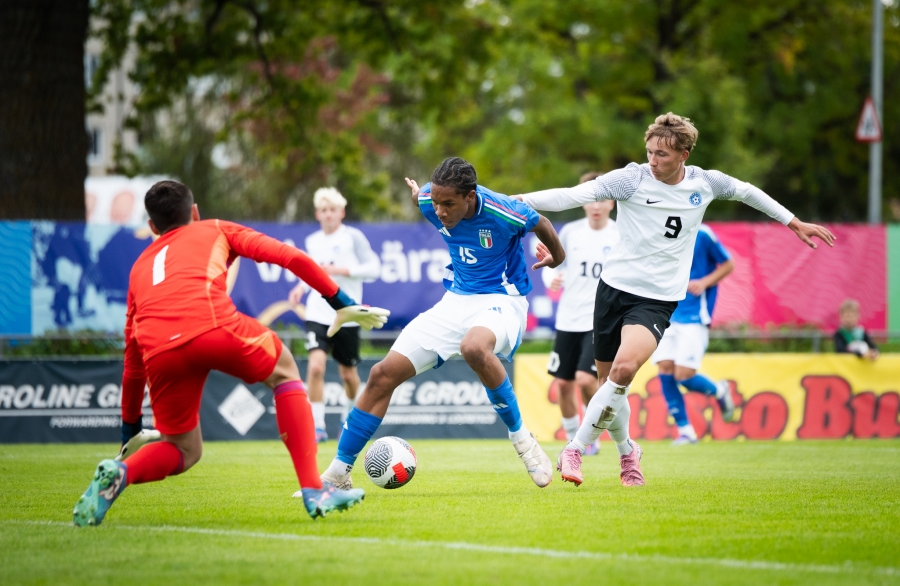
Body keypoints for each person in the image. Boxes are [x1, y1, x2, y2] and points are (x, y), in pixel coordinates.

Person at [520, 112, 835, 487]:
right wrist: (509, 200)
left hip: (657, 299)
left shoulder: (706, 182)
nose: (653, 161)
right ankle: (627, 452)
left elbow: (749, 191)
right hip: (614, 289)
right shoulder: (631, 177)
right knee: (607, 385)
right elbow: (571, 196)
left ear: (684, 154)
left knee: (622, 373)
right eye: (650, 152)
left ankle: (574, 449)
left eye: (662, 155)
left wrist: (792, 221)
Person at [73, 180, 389, 526]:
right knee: (285, 371)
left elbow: (132, 361)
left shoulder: (138, 270)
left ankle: (121, 472)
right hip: (211, 326)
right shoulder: (216, 228)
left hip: (160, 351)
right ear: (194, 212)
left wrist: (129, 429)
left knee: (183, 450)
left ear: (152, 226)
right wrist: (340, 301)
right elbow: (290, 257)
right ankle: (315, 489)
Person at [316, 157, 566, 491]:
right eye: (436, 203)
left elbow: (543, 223)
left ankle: (523, 440)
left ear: (471, 196)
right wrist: (424, 195)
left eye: (449, 204)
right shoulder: (428, 202)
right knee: (380, 375)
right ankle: (337, 472)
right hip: (455, 301)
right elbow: (424, 198)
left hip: (503, 299)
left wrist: (556, 258)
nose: (441, 211)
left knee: (474, 348)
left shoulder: (504, 210)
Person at [289, 187, 381, 442]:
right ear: (318, 214)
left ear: (342, 212)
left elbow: (374, 269)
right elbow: (313, 272)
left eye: (333, 210)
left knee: (348, 375)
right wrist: (300, 287)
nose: (328, 215)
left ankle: (347, 417)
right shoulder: (312, 241)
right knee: (316, 367)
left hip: (347, 312)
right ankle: (317, 427)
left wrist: (341, 270)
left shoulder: (353, 237)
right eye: (324, 210)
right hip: (318, 313)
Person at [542, 172, 618, 453]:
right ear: (583, 202)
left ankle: (589, 437)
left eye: (602, 199)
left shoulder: (621, 234)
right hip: (568, 319)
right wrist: (552, 279)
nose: (596, 205)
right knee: (563, 384)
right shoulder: (570, 232)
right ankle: (575, 440)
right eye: (591, 199)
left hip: (600, 322)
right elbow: (554, 268)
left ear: (612, 202)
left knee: (586, 380)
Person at [651, 223, 736, 445]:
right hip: (665, 313)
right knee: (665, 369)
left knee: (684, 375)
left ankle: (719, 391)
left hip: (694, 316)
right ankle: (686, 431)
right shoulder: (657, 228)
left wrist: (704, 282)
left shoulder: (702, 232)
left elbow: (728, 264)